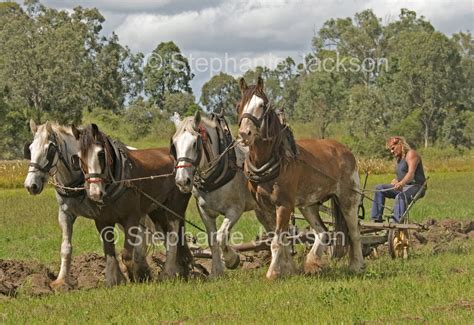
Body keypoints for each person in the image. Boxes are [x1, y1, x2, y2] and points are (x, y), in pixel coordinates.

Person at [371, 136, 426, 223]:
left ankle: (396, 222)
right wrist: (397, 180)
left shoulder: (411, 154)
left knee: (400, 196)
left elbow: (411, 174)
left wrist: (401, 183)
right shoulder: (399, 159)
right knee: (379, 188)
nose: (391, 151)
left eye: (393, 148)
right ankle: (376, 220)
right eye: (390, 150)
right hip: (404, 186)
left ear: (400, 144)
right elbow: (402, 174)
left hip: (416, 186)